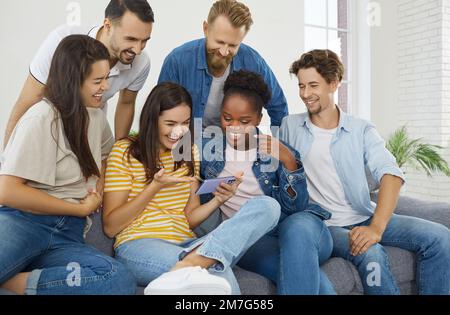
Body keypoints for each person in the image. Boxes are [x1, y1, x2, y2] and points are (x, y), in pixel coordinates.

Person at [279, 49, 450, 294]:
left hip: (362, 214)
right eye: (301, 86)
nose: (305, 94)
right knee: (371, 255)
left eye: (313, 85)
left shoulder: (360, 129)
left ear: (334, 83)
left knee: (440, 237)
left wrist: (376, 228)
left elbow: (390, 174)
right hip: (326, 225)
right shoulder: (290, 126)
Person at [102, 82, 280, 295]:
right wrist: (154, 187)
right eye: (170, 123)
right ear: (152, 120)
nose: (179, 131)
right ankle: (197, 261)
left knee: (268, 206)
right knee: (217, 274)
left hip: (187, 242)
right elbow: (111, 227)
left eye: (185, 123)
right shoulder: (125, 151)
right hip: (140, 243)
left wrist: (218, 200)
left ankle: (195, 260)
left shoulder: (188, 151)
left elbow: (189, 218)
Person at [0, 35, 136, 295]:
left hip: (67, 236)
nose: (106, 87)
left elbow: (110, 154)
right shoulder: (40, 118)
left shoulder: (95, 117)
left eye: (107, 77)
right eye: (98, 81)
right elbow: (7, 191)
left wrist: (99, 185)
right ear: (73, 81)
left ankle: (15, 283)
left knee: (116, 278)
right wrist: (78, 208)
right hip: (24, 223)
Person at [198, 70, 335, 295]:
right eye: (227, 118)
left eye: (244, 121)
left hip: (300, 231)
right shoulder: (207, 149)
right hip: (252, 237)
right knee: (314, 281)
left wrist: (290, 162)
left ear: (259, 119)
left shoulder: (278, 151)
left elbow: (296, 208)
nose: (234, 127)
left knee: (298, 227)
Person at [3, 0, 154, 147]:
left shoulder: (141, 62)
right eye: (131, 39)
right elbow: (28, 100)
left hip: (90, 132)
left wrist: (120, 156)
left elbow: (126, 103)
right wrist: (6, 158)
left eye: (145, 41)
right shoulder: (61, 40)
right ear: (108, 26)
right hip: (48, 131)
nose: (138, 49)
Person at [158, 0, 288, 131]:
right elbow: (159, 112)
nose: (224, 52)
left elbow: (279, 107)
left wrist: (278, 146)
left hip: (236, 142)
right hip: (189, 142)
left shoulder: (253, 61)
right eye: (219, 42)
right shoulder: (177, 61)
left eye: (233, 45)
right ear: (206, 29)